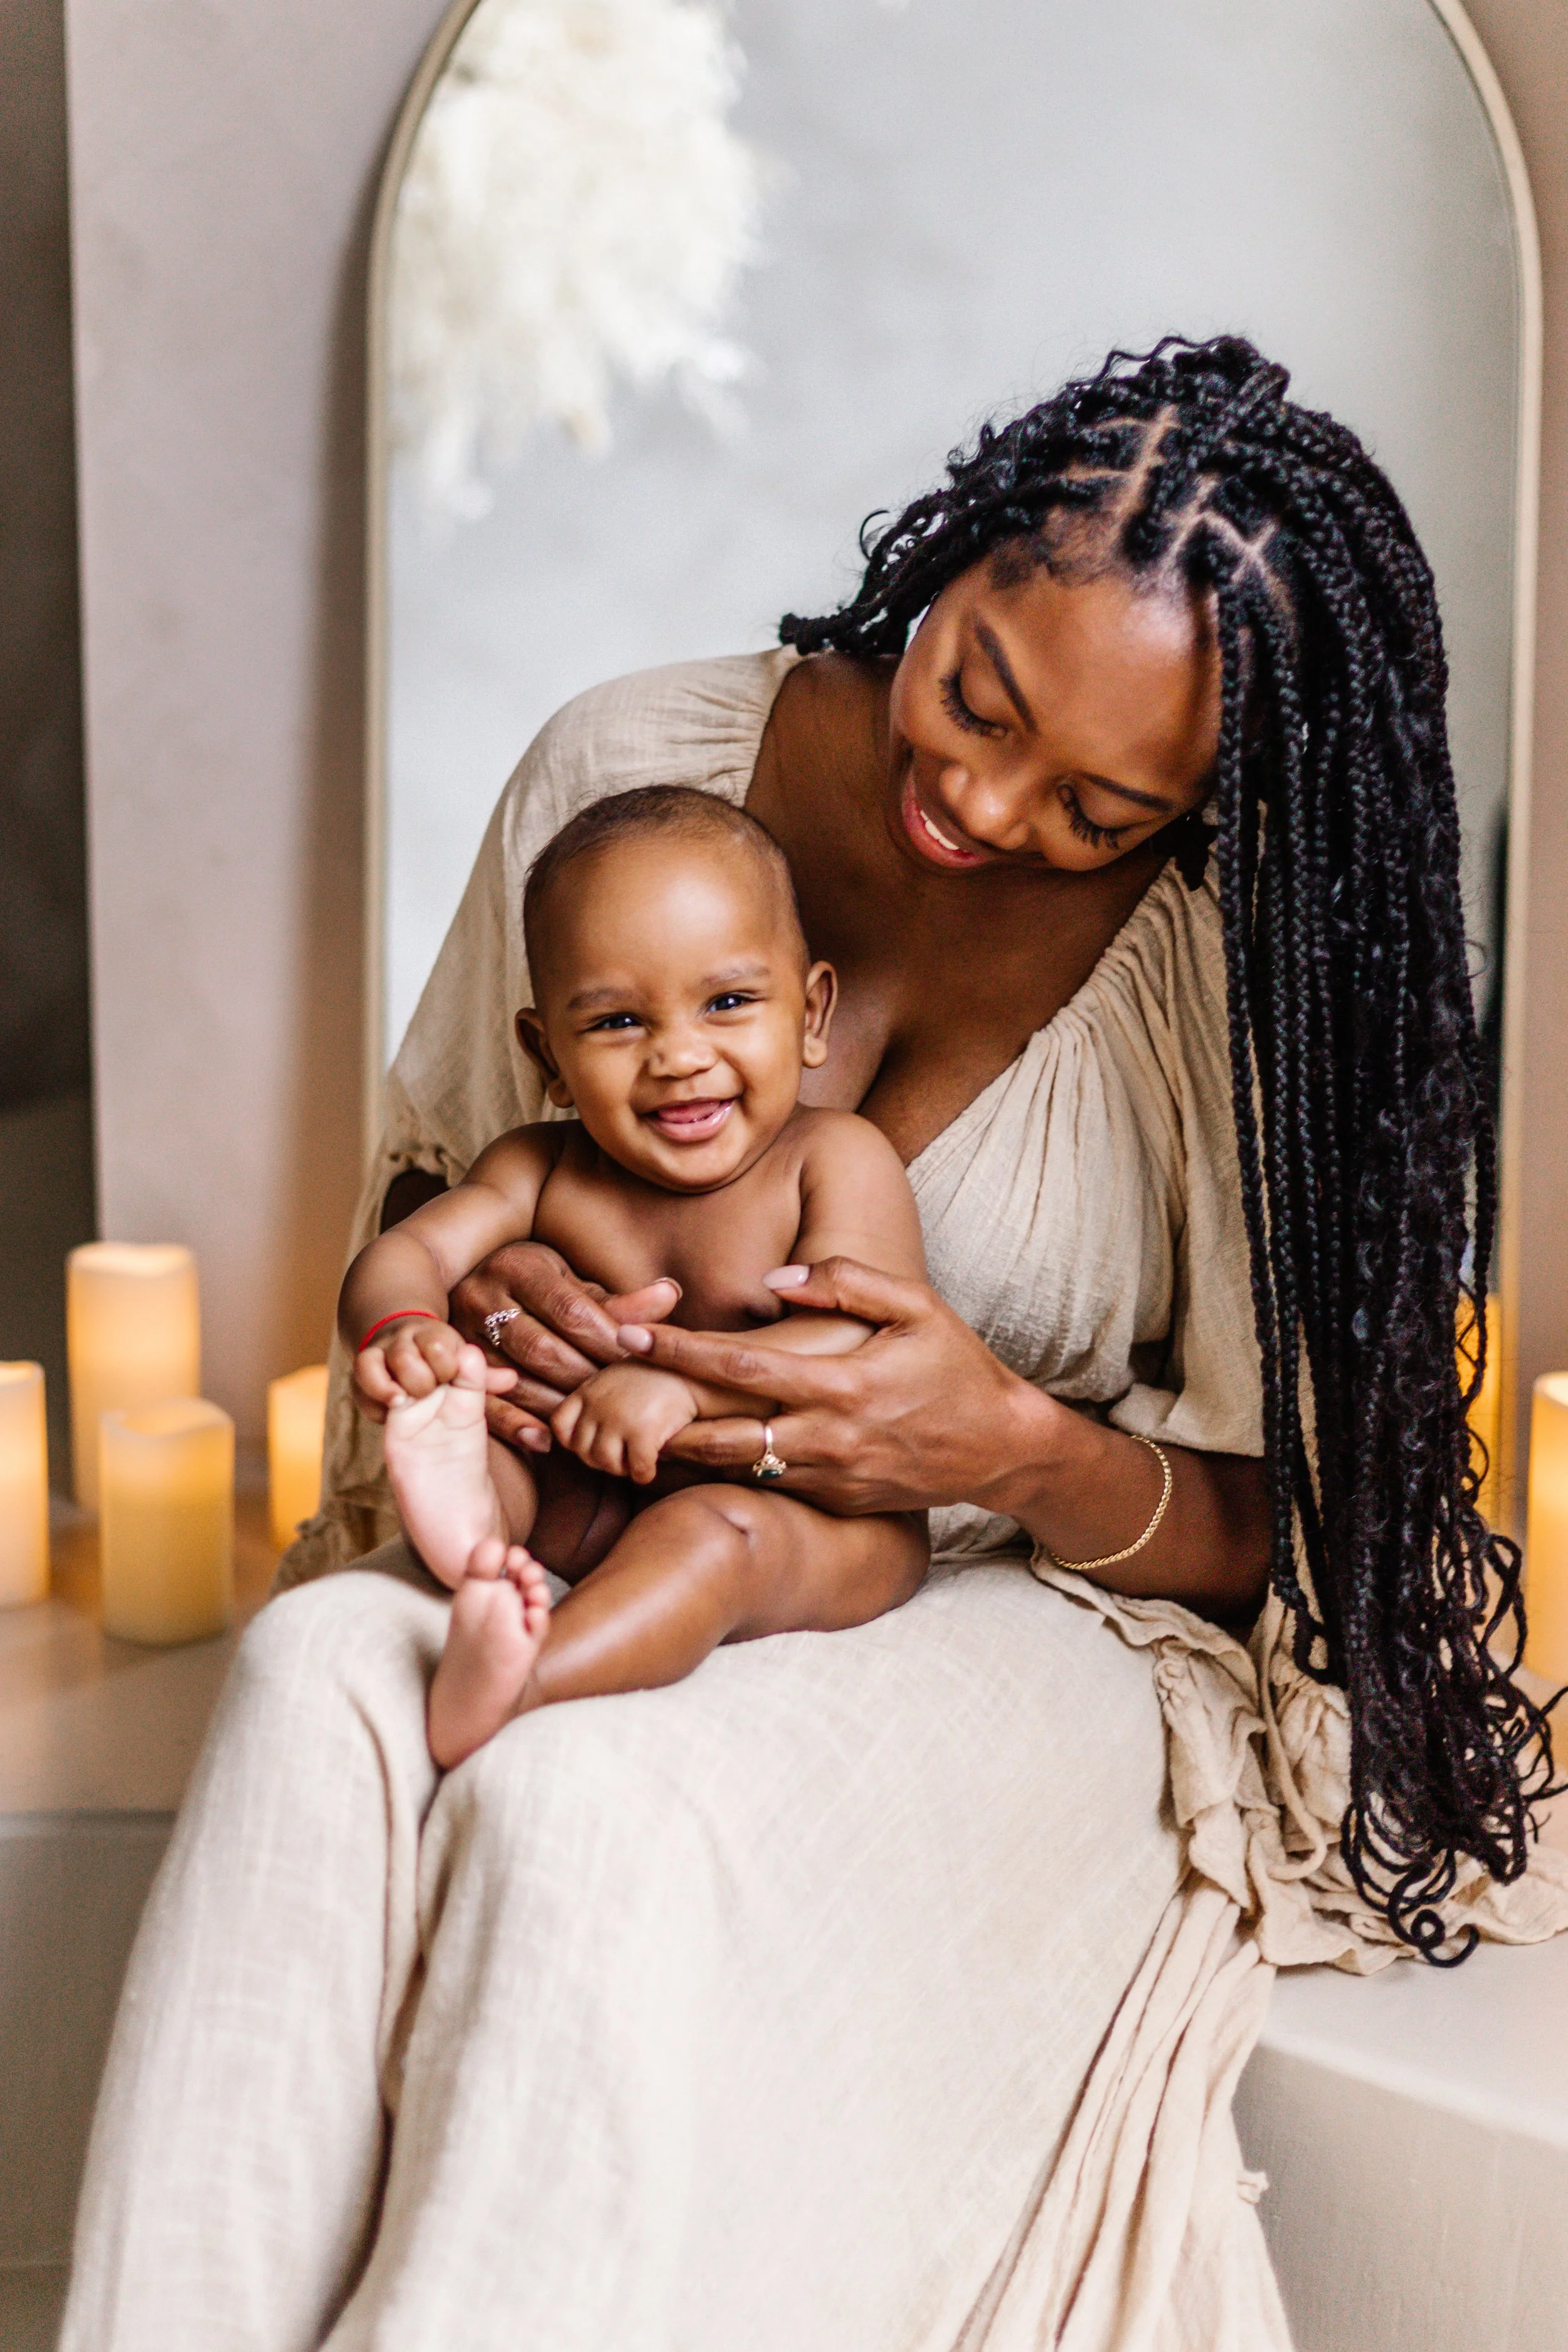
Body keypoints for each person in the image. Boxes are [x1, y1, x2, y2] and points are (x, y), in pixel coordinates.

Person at [63, 338, 1568, 2352]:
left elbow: (1299, 1543)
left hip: (1020, 1603)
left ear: (1206, 795)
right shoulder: (626, 762)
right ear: (951, 551)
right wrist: (482, 1313)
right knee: (321, 1654)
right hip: (597, 1495)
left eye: (1098, 804)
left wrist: (1008, 1443)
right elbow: (442, 1189)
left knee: (574, 1811)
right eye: (974, 694)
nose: (976, 799)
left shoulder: (1221, 987)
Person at [341, 787, 928, 1766]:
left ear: (812, 1011)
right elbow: (406, 1255)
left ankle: (525, 1677)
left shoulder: (833, 1159)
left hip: (808, 1517)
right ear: (550, 1057)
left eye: (730, 1002)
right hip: (591, 1503)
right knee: (499, 1436)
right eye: (617, 1021)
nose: (679, 1056)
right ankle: (471, 1526)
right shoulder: (538, 1166)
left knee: (711, 1533)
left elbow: (861, 1344)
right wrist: (405, 1330)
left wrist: (683, 1383)